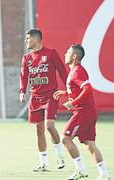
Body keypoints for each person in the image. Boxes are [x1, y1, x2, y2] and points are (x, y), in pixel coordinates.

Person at [53, 44, 110, 180]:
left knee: (65, 139)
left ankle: (81, 170)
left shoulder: (77, 71)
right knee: (90, 144)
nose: (65, 54)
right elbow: (77, 89)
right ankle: (104, 174)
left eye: (68, 52)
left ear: (74, 56)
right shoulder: (75, 71)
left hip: (83, 112)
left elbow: (88, 89)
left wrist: (73, 102)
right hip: (88, 112)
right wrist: (65, 93)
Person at [19, 28, 68, 171]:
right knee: (39, 129)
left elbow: (62, 72)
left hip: (50, 95)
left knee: (49, 126)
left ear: (35, 39)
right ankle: (43, 163)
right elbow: (23, 76)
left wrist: (69, 90)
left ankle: (59, 155)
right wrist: (22, 91)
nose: (26, 41)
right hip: (35, 97)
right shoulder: (26, 57)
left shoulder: (51, 53)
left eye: (28, 38)